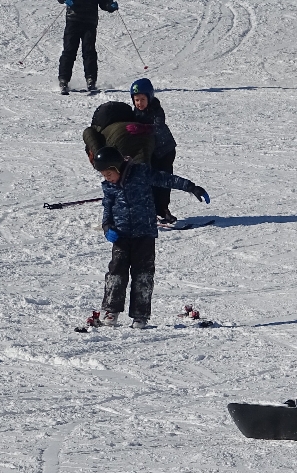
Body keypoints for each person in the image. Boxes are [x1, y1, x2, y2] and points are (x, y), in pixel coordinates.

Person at [94, 147, 210, 329]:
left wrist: (191, 187)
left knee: (143, 275)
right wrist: (107, 226)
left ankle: (140, 315)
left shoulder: (140, 173)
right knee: (116, 272)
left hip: (145, 234)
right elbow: (107, 208)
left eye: (109, 173)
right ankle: (111, 310)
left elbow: (166, 179)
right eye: (104, 175)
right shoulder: (109, 186)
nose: (107, 178)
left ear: (117, 167)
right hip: (121, 235)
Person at [130, 78, 180, 224]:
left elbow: (159, 125)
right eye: (136, 100)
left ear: (150, 97)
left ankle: (164, 209)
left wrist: (145, 128)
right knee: (149, 181)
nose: (140, 103)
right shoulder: (135, 113)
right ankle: (151, 211)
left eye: (143, 99)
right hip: (150, 153)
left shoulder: (156, 109)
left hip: (165, 151)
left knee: (164, 180)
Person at [57, 0, 118, 95]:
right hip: (73, 19)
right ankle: (64, 79)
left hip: (89, 21)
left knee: (89, 51)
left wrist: (109, 5)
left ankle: (91, 79)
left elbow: (103, 2)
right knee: (69, 50)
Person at [83, 101, 154, 168]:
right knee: (145, 168)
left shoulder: (97, 129)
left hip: (120, 139)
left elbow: (88, 133)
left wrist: (99, 156)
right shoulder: (129, 118)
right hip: (145, 134)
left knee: (132, 175)